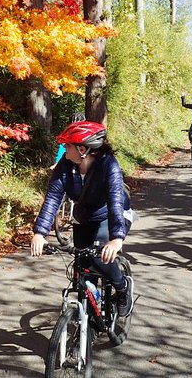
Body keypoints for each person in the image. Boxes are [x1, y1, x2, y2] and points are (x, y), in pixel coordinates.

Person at [31, 121, 134, 317]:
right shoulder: (65, 165)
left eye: (67, 145)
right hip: (84, 216)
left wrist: (116, 239)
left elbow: (115, 200)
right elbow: (53, 197)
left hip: (111, 213)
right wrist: (40, 233)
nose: (63, 149)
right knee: (83, 265)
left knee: (101, 258)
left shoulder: (108, 164)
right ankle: (90, 313)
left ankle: (121, 287)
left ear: (82, 149)